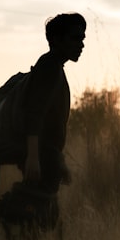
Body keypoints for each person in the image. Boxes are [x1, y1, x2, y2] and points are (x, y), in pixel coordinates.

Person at [19, 12, 86, 194]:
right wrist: (33, 159)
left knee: (43, 215)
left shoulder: (54, 67)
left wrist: (59, 160)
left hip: (48, 156)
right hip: (42, 156)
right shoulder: (49, 67)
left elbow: (51, 122)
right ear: (56, 39)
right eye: (75, 38)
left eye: (82, 39)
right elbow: (34, 113)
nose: (81, 45)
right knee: (39, 216)